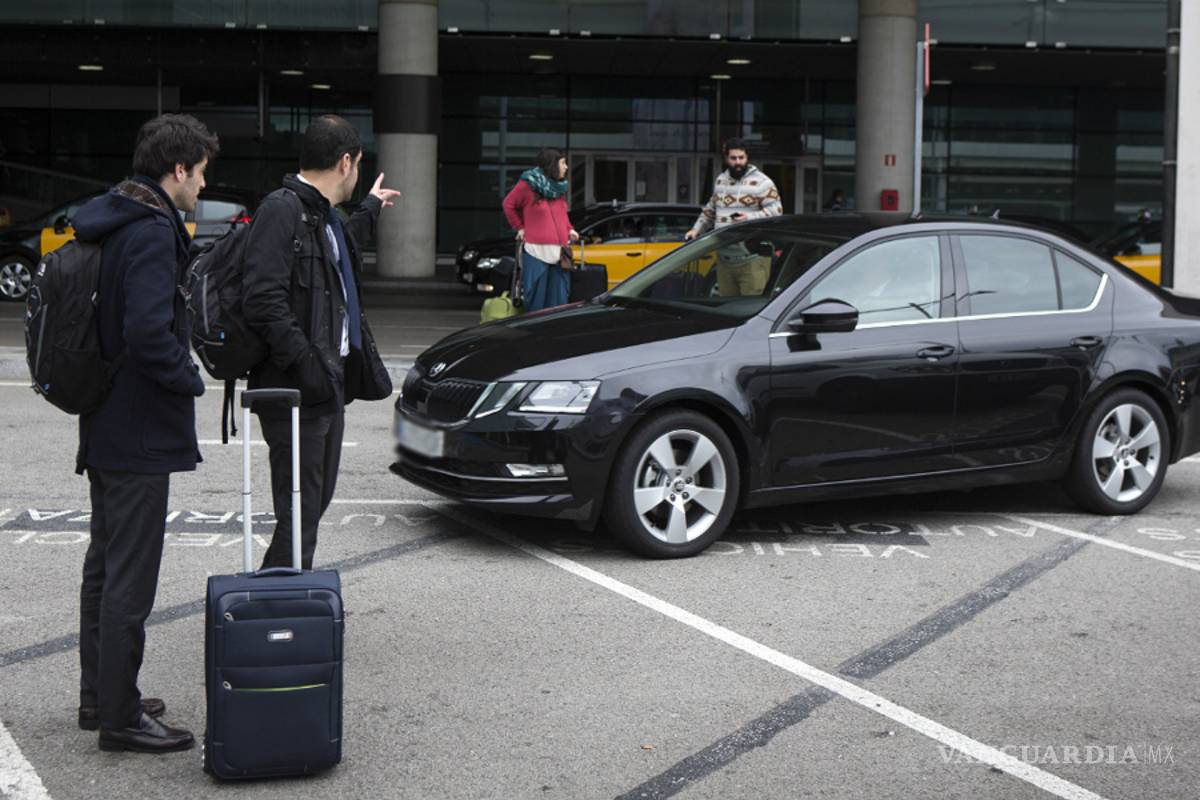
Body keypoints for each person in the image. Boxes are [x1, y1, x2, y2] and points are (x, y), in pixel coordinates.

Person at [71, 113, 218, 753]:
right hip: (138, 426)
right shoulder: (154, 230)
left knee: (104, 568)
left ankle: (100, 696)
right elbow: (149, 332)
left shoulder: (114, 215)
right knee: (130, 576)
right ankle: (121, 718)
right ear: (178, 169)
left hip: (104, 416)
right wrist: (190, 379)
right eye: (202, 172)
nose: (204, 185)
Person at [242, 114, 399, 571]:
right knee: (300, 509)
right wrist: (307, 367)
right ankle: (278, 607)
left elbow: (337, 253)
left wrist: (368, 207)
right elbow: (263, 299)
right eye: (359, 165)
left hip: (325, 386)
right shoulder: (282, 209)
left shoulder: (322, 215)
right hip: (297, 390)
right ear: (347, 161)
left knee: (311, 504)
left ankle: (288, 601)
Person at [685, 138, 782, 297]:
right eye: (733, 158)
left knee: (749, 308)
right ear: (726, 158)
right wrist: (696, 230)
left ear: (747, 157)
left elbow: (776, 211)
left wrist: (749, 217)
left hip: (752, 259)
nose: (738, 162)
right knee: (728, 307)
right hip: (724, 260)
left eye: (741, 158)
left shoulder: (763, 183)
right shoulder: (721, 180)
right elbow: (710, 209)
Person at [502, 147, 579, 312]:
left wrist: (569, 229)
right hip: (536, 251)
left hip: (560, 253)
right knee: (536, 301)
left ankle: (556, 335)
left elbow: (562, 215)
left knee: (559, 302)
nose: (566, 167)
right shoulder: (527, 184)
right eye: (563, 163)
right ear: (552, 165)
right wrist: (520, 227)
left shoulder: (559, 188)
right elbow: (508, 204)